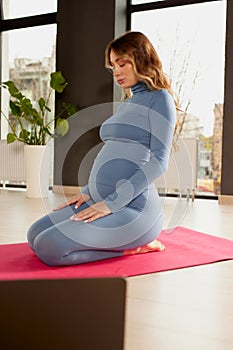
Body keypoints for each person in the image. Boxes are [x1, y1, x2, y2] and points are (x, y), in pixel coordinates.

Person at [27, 31, 177, 266]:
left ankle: (137, 247)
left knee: (49, 247)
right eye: (112, 66)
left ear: (141, 59)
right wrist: (89, 191)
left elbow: (159, 161)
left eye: (122, 63)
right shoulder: (128, 103)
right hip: (98, 197)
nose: (116, 72)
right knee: (34, 235)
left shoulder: (160, 99)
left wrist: (111, 203)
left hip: (134, 209)